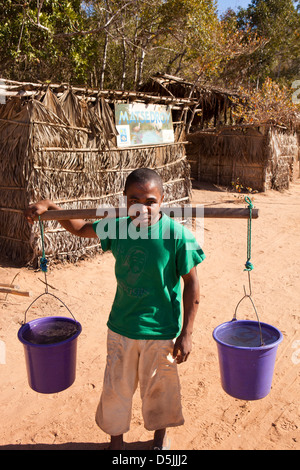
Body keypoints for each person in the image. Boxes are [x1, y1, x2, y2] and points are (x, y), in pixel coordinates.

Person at [24, 168, 205, 450]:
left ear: (162, 199)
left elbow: (192, 285)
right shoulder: (118, 226)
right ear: (124, 199)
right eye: (134, 200)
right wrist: (51, 207)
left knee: (160, 390)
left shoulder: (178, 235)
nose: (143, 208)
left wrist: (187, 333)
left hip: (161, 331)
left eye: (150, 201)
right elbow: (80, 228)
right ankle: (116, 442)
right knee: (115, 390)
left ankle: (160, 437)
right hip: (121, 326)